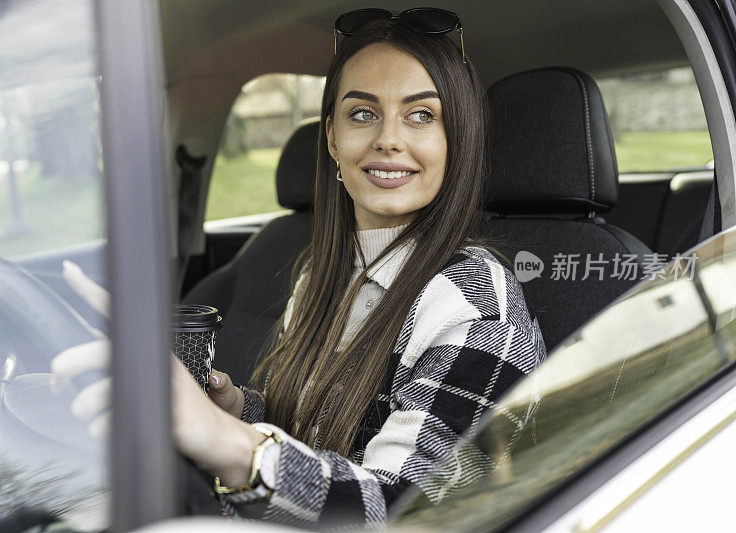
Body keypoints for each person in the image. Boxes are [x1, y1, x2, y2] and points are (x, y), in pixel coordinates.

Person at [52, 8, 547, 529]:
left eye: (422, 115)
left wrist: (228, 443)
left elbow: (402, 511)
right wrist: (235, 409)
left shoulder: (475, 308)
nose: (388, 139)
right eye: (362, 114)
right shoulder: (324, 270)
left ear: (458, 139)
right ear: (332, 137)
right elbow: (322, 435)